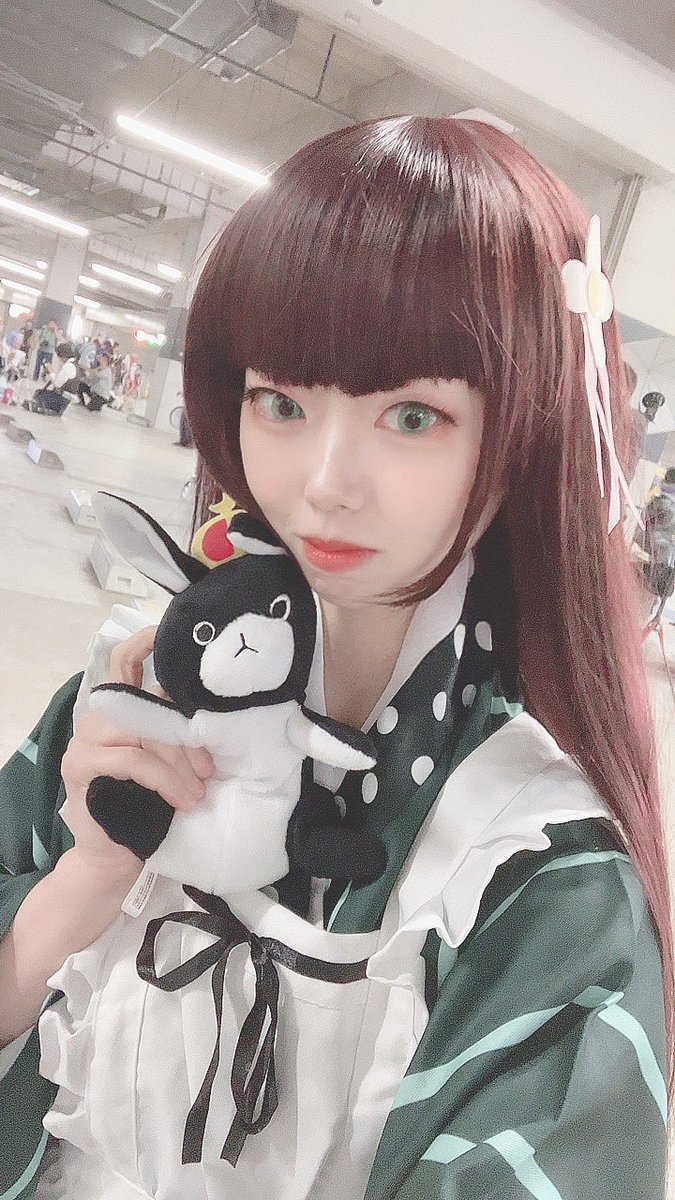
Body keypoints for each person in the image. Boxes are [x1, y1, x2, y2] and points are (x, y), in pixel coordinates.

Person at [0, 117, 670, 1200]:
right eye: (282, 401)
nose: (323, 481)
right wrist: (77, 888)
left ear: (526, 433)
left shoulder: (539, 870)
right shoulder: (127, 700)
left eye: (412, 415)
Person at [24, 342, 78, 416]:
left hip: (62, 399)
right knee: (39, 393)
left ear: (62, 356)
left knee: (38, 397)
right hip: (65, 398)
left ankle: (51, 409)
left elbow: (57, 384)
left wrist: (51, 371)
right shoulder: (74, 365)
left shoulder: (68, 367)